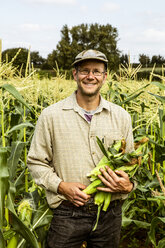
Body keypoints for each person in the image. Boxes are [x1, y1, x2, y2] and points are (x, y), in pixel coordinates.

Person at [27, 49, 134, 248]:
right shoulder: (51, 116)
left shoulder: (121, 117)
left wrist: (128, 186)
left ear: (105, 76)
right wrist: (61, 186)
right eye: (84, 70)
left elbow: (131, 165)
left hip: (110, 214)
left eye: (96, 71)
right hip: (67, 212)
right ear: (75, 74)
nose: (90, 76)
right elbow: (35, 162)